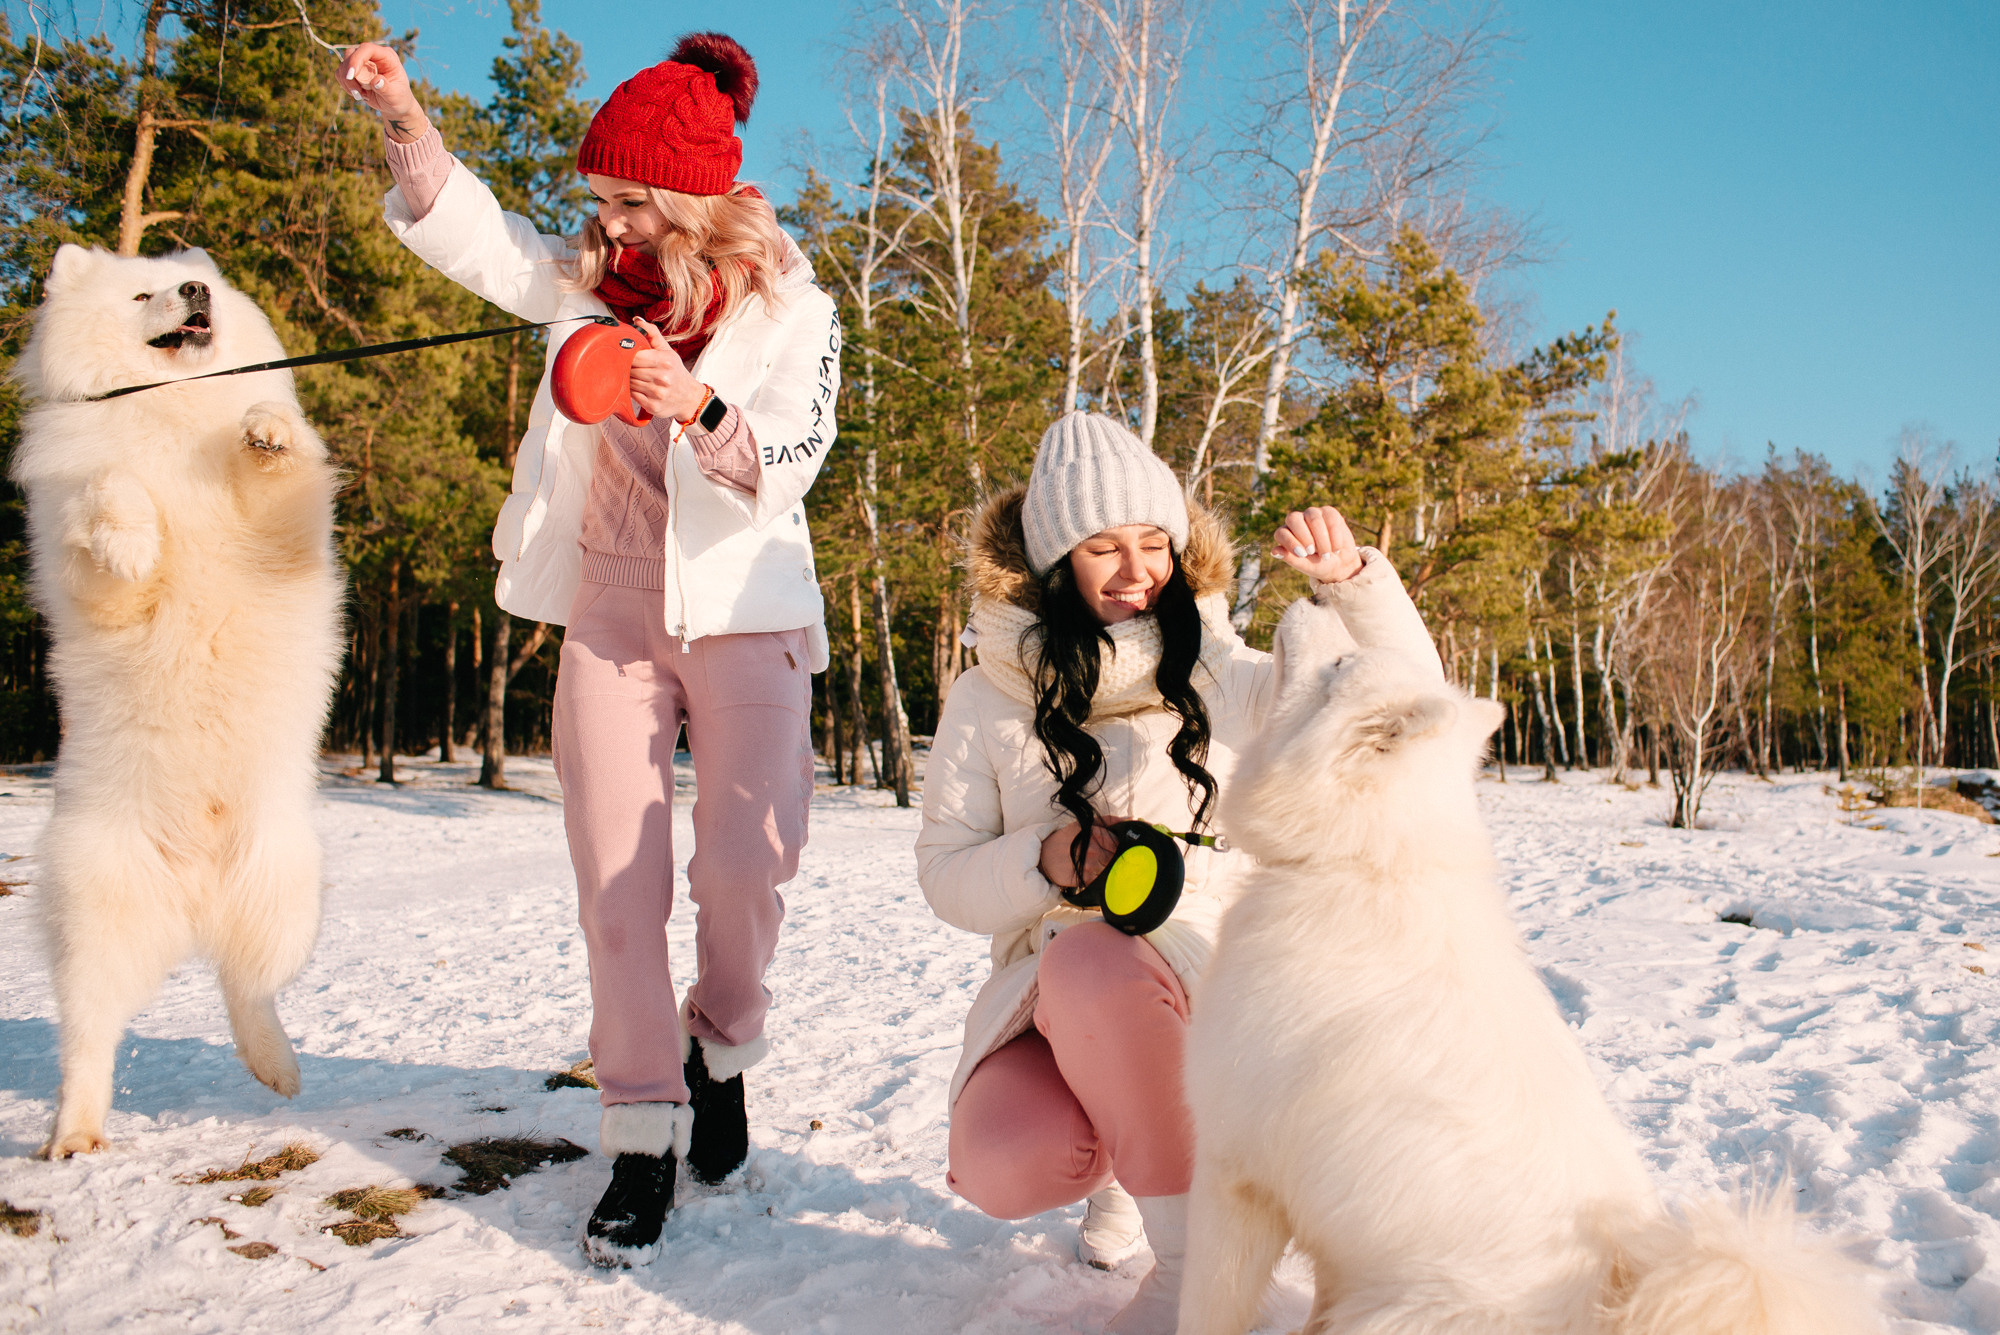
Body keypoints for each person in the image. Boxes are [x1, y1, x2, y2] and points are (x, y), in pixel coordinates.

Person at [338, 34, 841, 1265]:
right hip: (610, 609)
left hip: (745, 608)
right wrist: (402, 114)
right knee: (616, 886)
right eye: (598, 202)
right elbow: (476, 237)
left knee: (743, 871)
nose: (603, 225)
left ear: (689, 204)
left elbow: (793, 456)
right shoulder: (584, 279)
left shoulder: (795, 307)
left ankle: (716, 1045)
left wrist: (702, 410)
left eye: (626, 203)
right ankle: (637, 1132)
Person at [916, 412, 1439, 1333]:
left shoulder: (1222, 669)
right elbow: (946, 872)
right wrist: (1044, 861)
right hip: (1056, 993)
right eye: (1103, 547)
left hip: (1213, 975)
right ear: (1052, 562)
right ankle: (1133, 1150)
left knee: (1092, 963)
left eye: (1156, 541)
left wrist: (1356, 587)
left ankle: (1204, 1276)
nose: (1136, 570)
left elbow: (1394, 706)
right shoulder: (986, 692)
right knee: (1001, 1159)